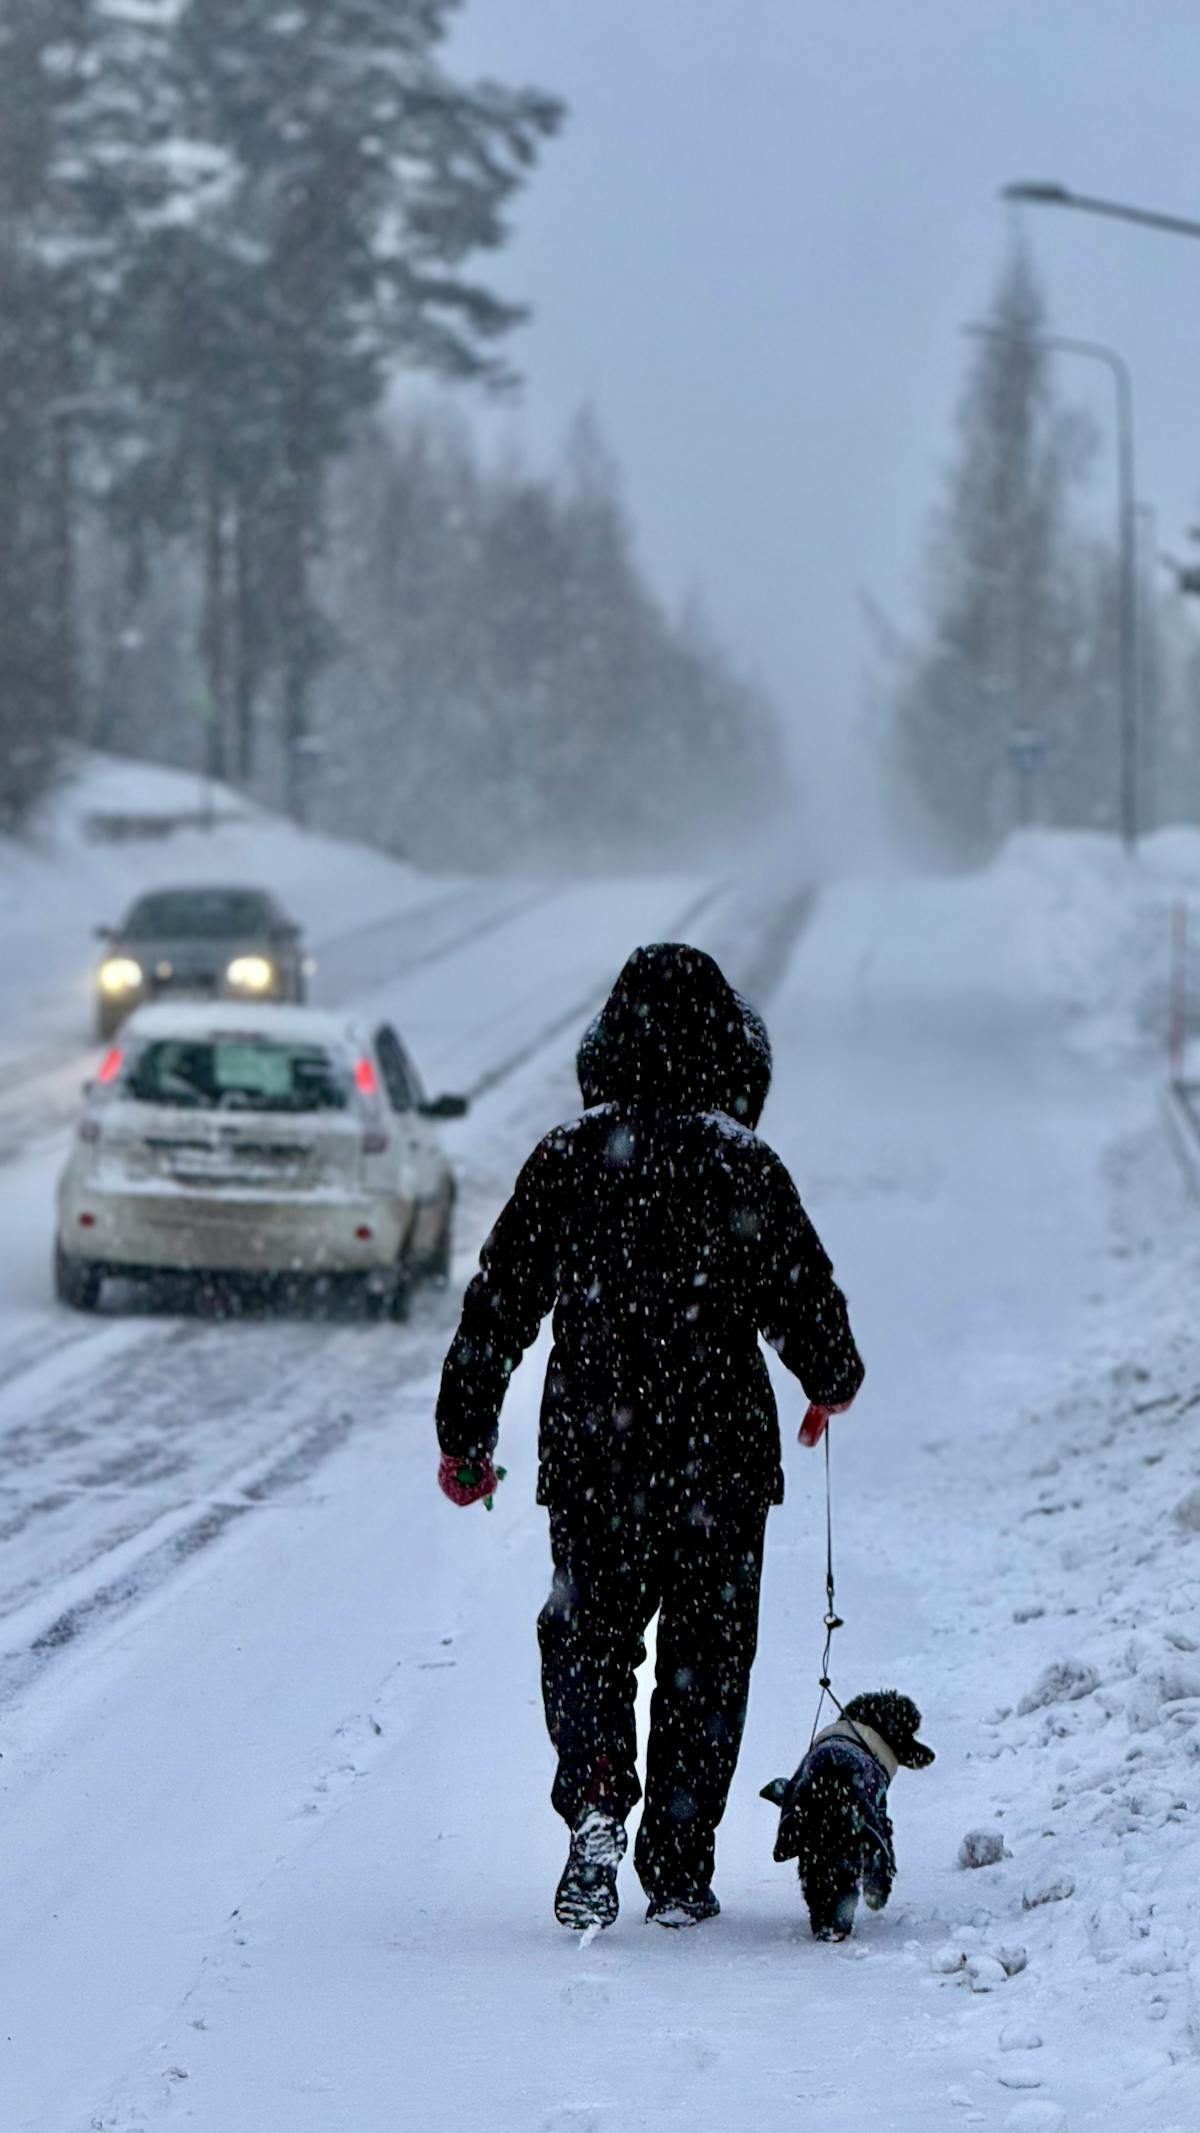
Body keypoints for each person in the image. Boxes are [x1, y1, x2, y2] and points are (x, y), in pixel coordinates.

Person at [435, 941, 863, 1930]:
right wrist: (829, 1381)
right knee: (706, 1660)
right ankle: (679, 1866)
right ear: (732, 1054)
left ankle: (594, 1800)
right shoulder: (742, 1162)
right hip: (720, 1459)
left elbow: (497, 1306)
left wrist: (467, 1435)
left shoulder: (569, 1159)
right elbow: (807, 1305)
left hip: (596, 1452)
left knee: (587, 1640)